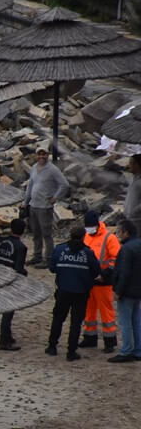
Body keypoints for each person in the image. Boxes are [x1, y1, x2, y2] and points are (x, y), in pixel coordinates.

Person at [46, 226, 101, 362]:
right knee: (76, 323)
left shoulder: (60, 249)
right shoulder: (87, 253)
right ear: (83, 237)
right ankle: (71, 351)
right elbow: (95, 271)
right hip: (81, 292)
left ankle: (52, 346)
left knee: (58, 318)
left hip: (63, 290)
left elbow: (52, 268)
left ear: (70, 235)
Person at [0, 218, 28, 351]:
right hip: (9, 282)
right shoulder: (21, 247)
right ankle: (4, 341)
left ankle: (7, 336)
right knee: (8, 312)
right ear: (23, 231)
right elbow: (18, 269)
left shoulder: (1, 240)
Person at [79, 210, 120, 353]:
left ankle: (109, 342)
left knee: (106, 312)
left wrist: (104, 273)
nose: (88, 229)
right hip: (89, 280)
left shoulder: (109, 238)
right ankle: (90, 338)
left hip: (104, 281)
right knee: (88, 311)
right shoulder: (86, 236)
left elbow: (116, 259)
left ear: (97, 225)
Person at [24, 146, 70, 268]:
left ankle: (48, 259)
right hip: (33, 204)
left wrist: (55, 198)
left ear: (48, 155)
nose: (42, 157)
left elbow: (64, 184)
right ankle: (37, 256)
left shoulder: (53, 169)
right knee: (36, 233)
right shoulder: (34, 167)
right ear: (36, 155)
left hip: (44, 207)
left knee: (46, 234)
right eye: (39, 154)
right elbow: (30, 185)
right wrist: (25, 201)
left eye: (44, 154)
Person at [111, 220, 141, 363]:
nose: (117, 235)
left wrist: (118, 291)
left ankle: (126, 351)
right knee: (136, 320)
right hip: (138, 291)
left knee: (125, 322)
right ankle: (138, 350)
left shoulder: (126, 249)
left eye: (119, 232)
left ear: (126, 233)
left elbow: (124, 272)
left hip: (127, 291)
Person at [124, 154, 141, 234]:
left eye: (131, 163)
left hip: (137, 219)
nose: (128, 165)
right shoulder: (133, 178)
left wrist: (134, 211)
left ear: (137, 165)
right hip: (129, 218)